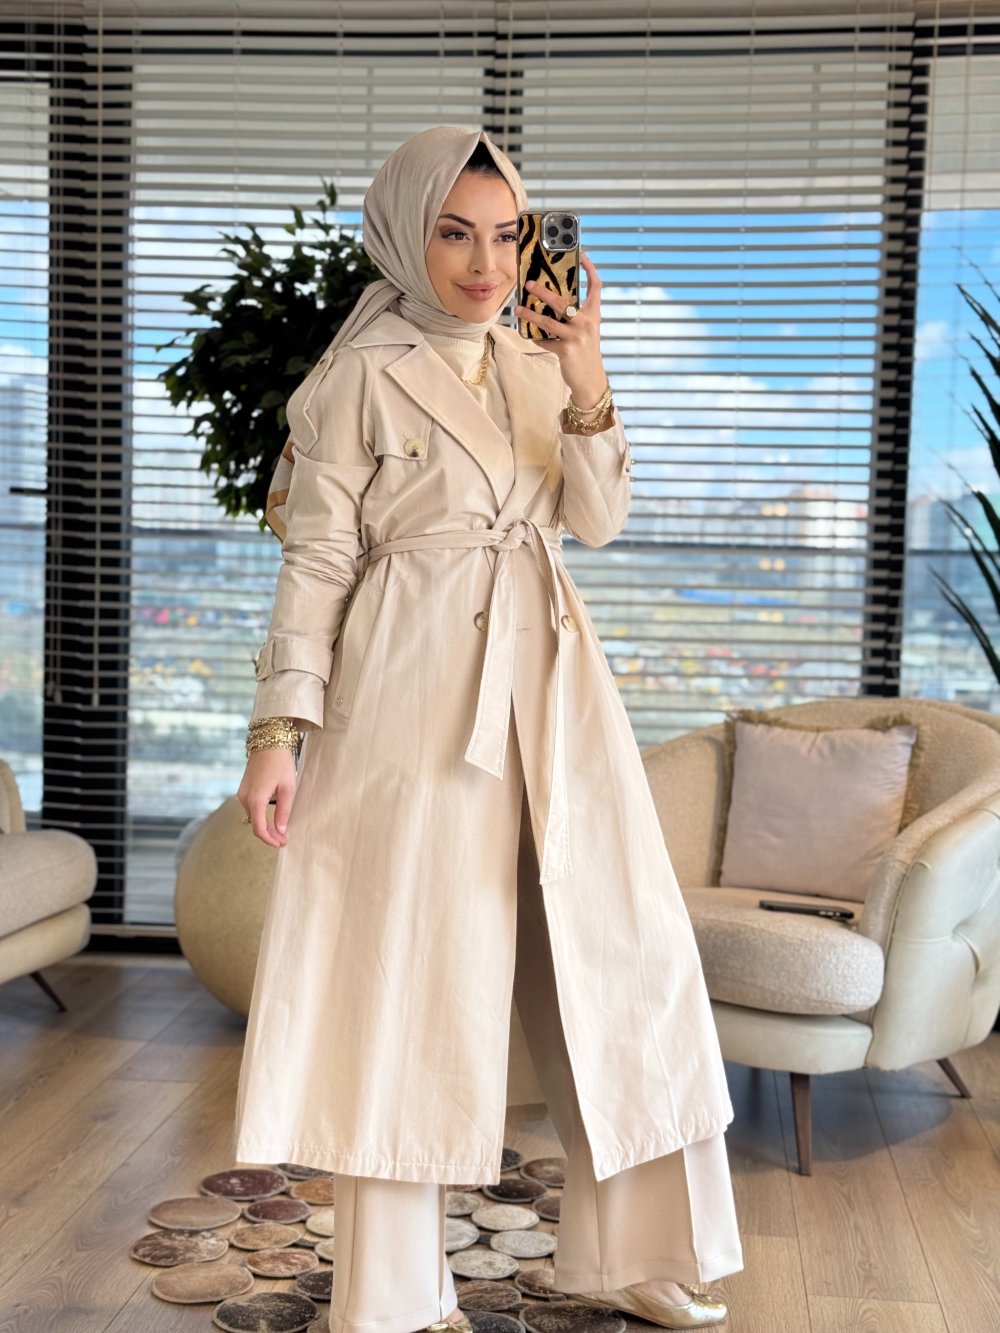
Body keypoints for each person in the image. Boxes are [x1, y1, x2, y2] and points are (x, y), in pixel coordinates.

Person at [234, 125, 743, 1333]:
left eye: (507, 235)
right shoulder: (356, 378)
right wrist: (278, 730)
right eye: (455, 233)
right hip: (407, 695)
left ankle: (641, 1250)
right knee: (403, 973)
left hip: (553, 690)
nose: (486, 264)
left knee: (620, 959)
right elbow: (318, 562)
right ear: (403, 234)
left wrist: (586, 372)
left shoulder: (537, 362)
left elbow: (598, 521)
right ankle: (393, 1293)